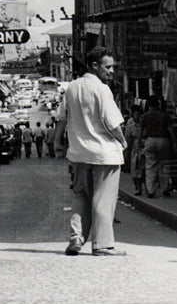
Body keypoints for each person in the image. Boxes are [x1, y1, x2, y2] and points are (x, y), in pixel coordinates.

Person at [54, 45, 127, 257]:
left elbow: (61, 119)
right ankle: (102, 244)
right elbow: (111, 122)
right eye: (108, 67)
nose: (111, 71)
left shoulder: (71, 88)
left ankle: (76, 238)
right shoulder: (102, 89)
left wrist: (58, 142)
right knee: (103, 199)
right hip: (104, 153)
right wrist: (122, 141)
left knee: (80, 196)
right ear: (94, 65)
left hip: (78, 153)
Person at [140, 96, 173, 198]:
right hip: (163, 140)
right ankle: (165, 188)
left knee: (150, 166)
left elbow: (141, 131)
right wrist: (174, 142)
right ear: (158, 104)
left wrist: (139, 143)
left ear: (148, 105)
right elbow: (171, 130)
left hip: (149, 140)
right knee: (164, 165)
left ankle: (150, 190)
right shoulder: (165, 116)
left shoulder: (144, 116)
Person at [125, 107, 144, 194]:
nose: (138, 116)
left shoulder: (144, 121)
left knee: (143, 168)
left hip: (144, 145)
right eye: (136, 114)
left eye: (139, 114)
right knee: (135, 168)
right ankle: (137, 187)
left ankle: (146, 188)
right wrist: (127, 149)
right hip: (134, 146)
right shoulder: (130, 122)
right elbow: (128, 136)